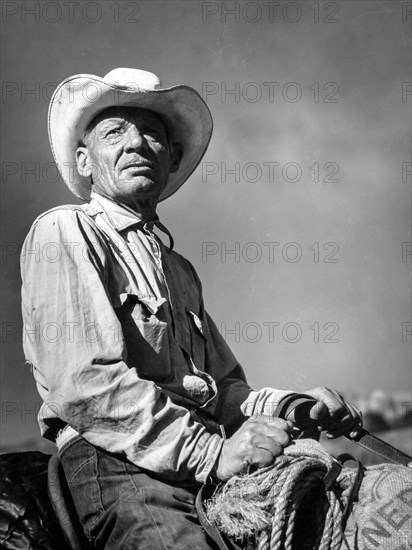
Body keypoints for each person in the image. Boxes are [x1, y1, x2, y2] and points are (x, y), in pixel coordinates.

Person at [20, 68, 362, 549]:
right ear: (84, 161)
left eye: (153, 135)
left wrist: (291, 404)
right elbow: (84, 383)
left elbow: (222, 390)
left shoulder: (179, 270)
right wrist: (212, 453)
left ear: (171, 158)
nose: (136, 143)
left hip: (198, 461)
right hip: (117, 463)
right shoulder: (66, 231)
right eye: (115, 131)